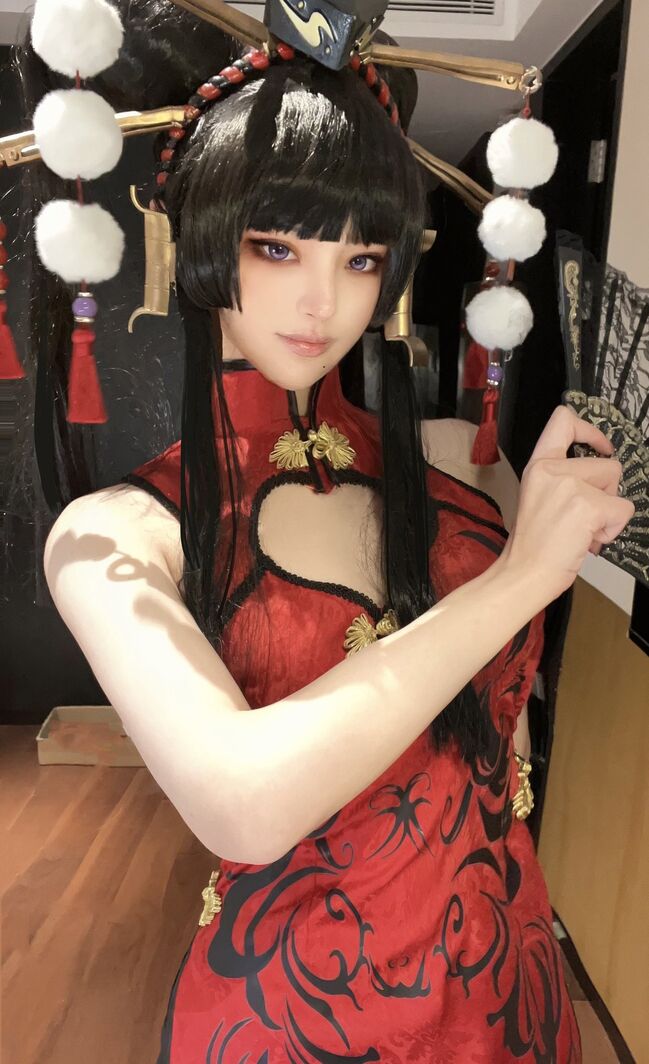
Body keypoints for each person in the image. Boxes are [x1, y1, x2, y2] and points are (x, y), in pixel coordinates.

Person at [15, 2, 634, 1060]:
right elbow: (244, 807)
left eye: (360, 259)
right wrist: (519, 579)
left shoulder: (460, 462)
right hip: (302, 1020)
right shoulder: (111, 537)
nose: (320, 301)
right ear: (199, 244)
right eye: (275, 246)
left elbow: (505, 733)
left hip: (510, 982)